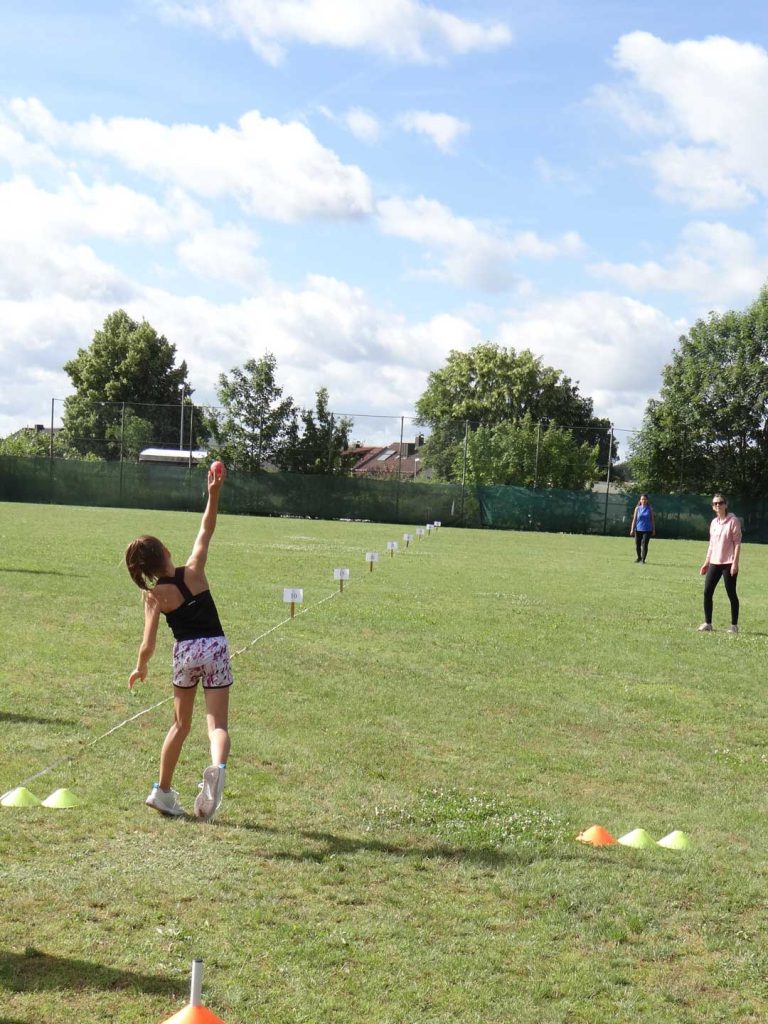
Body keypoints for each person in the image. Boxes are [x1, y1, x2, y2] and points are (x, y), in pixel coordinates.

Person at [124, 465, 232, 819]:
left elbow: (148, 642)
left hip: (185, 654)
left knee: (179, 725)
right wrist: (213, 493)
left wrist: (141, 667)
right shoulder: (194, 570)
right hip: (215, 648)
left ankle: (163, 791)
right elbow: (207, 528)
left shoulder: (154, 596)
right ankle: (217, 768)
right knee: (216, 725)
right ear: (168, 551)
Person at [698, 493, 741, 634]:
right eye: (715, 503)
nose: (718, 505)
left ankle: (734, 626)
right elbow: (712, 545)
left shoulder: (733, 521)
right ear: (713, 507)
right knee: (707, 592)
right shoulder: (714, 523)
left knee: (731, 593)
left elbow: (737, 544)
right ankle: (708, 623)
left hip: (728, 563)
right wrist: (706, 563)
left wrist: (735, 563)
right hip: (715, 563)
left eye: (720, 502)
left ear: (725, 505)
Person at [629, 494, 655, 563]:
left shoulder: (650, 509)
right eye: (642, 499)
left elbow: (652, 520)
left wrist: (653, 529)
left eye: (645, 499)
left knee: (644, 544)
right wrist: (632, 529)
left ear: (647, 500)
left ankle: (643, 560)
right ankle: (639, 558)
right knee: (637, 545)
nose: (643, 500)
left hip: (647, 530)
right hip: (638, 529)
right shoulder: (637, 508)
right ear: (640, 500)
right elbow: (634, 519)